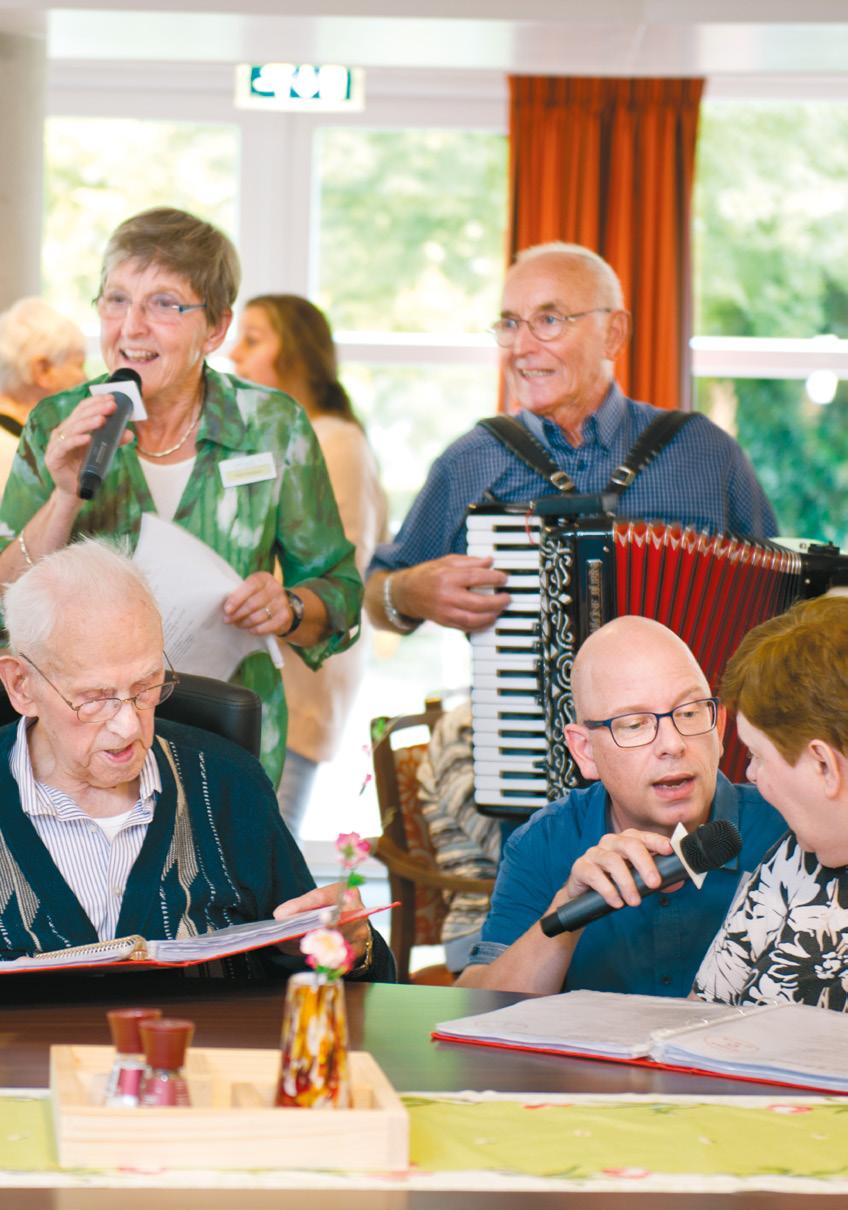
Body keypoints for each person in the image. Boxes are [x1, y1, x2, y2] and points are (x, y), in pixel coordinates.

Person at [0, 208, 362, 789]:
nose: (131, 327)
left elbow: (339, 591)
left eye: (165, 304)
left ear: (216, 328)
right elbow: (6, 597)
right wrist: (65, 495)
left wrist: (289, 607)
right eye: (116, 300)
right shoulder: (55, 423)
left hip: (225, 741)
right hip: (83, 750)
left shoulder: (272, 426)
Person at [0, 539, 391, 981]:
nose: (128, 726)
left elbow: (328, 972)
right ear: (20, 686)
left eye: (147, 685)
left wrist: (352, 950)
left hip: (206, 1049)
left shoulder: (227, 783)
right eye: (95, 699)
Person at [365, 242, 777, 636]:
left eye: (549, 320)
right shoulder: (469, 460)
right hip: (524, 710)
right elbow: (374, 591)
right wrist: (404, 593)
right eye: (510, 323)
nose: (522, 347)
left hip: (685, 710)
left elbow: (779, 597)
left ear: (613, 334)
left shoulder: (704, 453)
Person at [456, 615, 786, 996]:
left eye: (690, 713)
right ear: (585, 751)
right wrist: (568, 910)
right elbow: (480, 1007)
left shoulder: (790, 824)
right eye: (634, 725)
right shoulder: (542, 841)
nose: (672, 744)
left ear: (720, 726)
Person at [230, 294, 387, 834]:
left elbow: (337, 573)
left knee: (267, 848)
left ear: (295, 351)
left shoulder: (335, 442)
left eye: (252, 339)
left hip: (298, 683)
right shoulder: (260, 440)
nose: (234, 354)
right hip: (256, 673)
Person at [693, 596, 848, 1012]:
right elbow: (696, 1018)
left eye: (758, 755)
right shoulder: (794, 859)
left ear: (824, 765)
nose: (750, 775)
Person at [0, 297, 87, 491]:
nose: (85, 378)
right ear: (42, 371)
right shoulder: (13, 455)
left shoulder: (29, 441)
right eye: (79, 365)